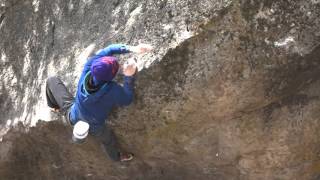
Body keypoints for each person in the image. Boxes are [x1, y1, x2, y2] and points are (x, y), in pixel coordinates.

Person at [45, 43, 153, 162]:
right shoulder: (112, 90)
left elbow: (109, 49)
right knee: (108, 140)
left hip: (73, 114)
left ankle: (54, 106)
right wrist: (129, 77)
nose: (120, 65)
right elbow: (127, 99)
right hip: (95, 126)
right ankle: (116, 157)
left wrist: (134, 48)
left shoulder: (89, 67)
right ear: (110, 78)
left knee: (51, 80)